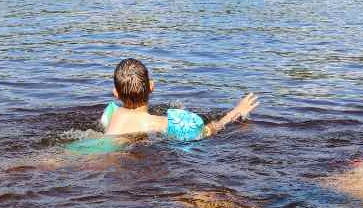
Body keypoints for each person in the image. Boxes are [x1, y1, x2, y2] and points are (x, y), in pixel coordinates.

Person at [65, 58, 258, 154]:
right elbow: (209, 130)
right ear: (152, 87)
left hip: (85, 148)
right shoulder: (160, 124)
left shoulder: (111, 116)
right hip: (112, 156)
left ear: (115, 93)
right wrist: (235, 112)